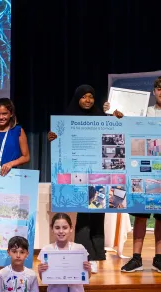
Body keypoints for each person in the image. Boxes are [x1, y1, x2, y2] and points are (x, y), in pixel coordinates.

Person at [106, 76, 161, 274]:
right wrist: (113, 112)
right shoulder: (143, 113)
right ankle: (136, 258)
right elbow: (125, 130)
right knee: (140, 217)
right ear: (154, 91)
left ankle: (159, 259)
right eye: (159, 88)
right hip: (142, 173)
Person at [47, 85, 110, 272]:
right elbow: (60, 146)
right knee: (84, 215)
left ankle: (99, 254)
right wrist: (53, 138)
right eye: (84, 97)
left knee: (99, 213)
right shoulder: (66, 119)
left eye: (91, 96)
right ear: (77, 99)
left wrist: (116, 118)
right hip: (78, 174)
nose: (88, 100)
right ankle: (86, 254)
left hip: (99, 174)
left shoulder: (101, 118)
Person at [37, 213, 92, 292]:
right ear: (52, 229)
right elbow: (44, 279)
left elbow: (86, 277)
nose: (61, 231)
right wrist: (40, 271)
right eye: (57, 228)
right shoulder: (46, 250)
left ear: (71, 229)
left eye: (65, 228)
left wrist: (88, 269)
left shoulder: (79, 249)